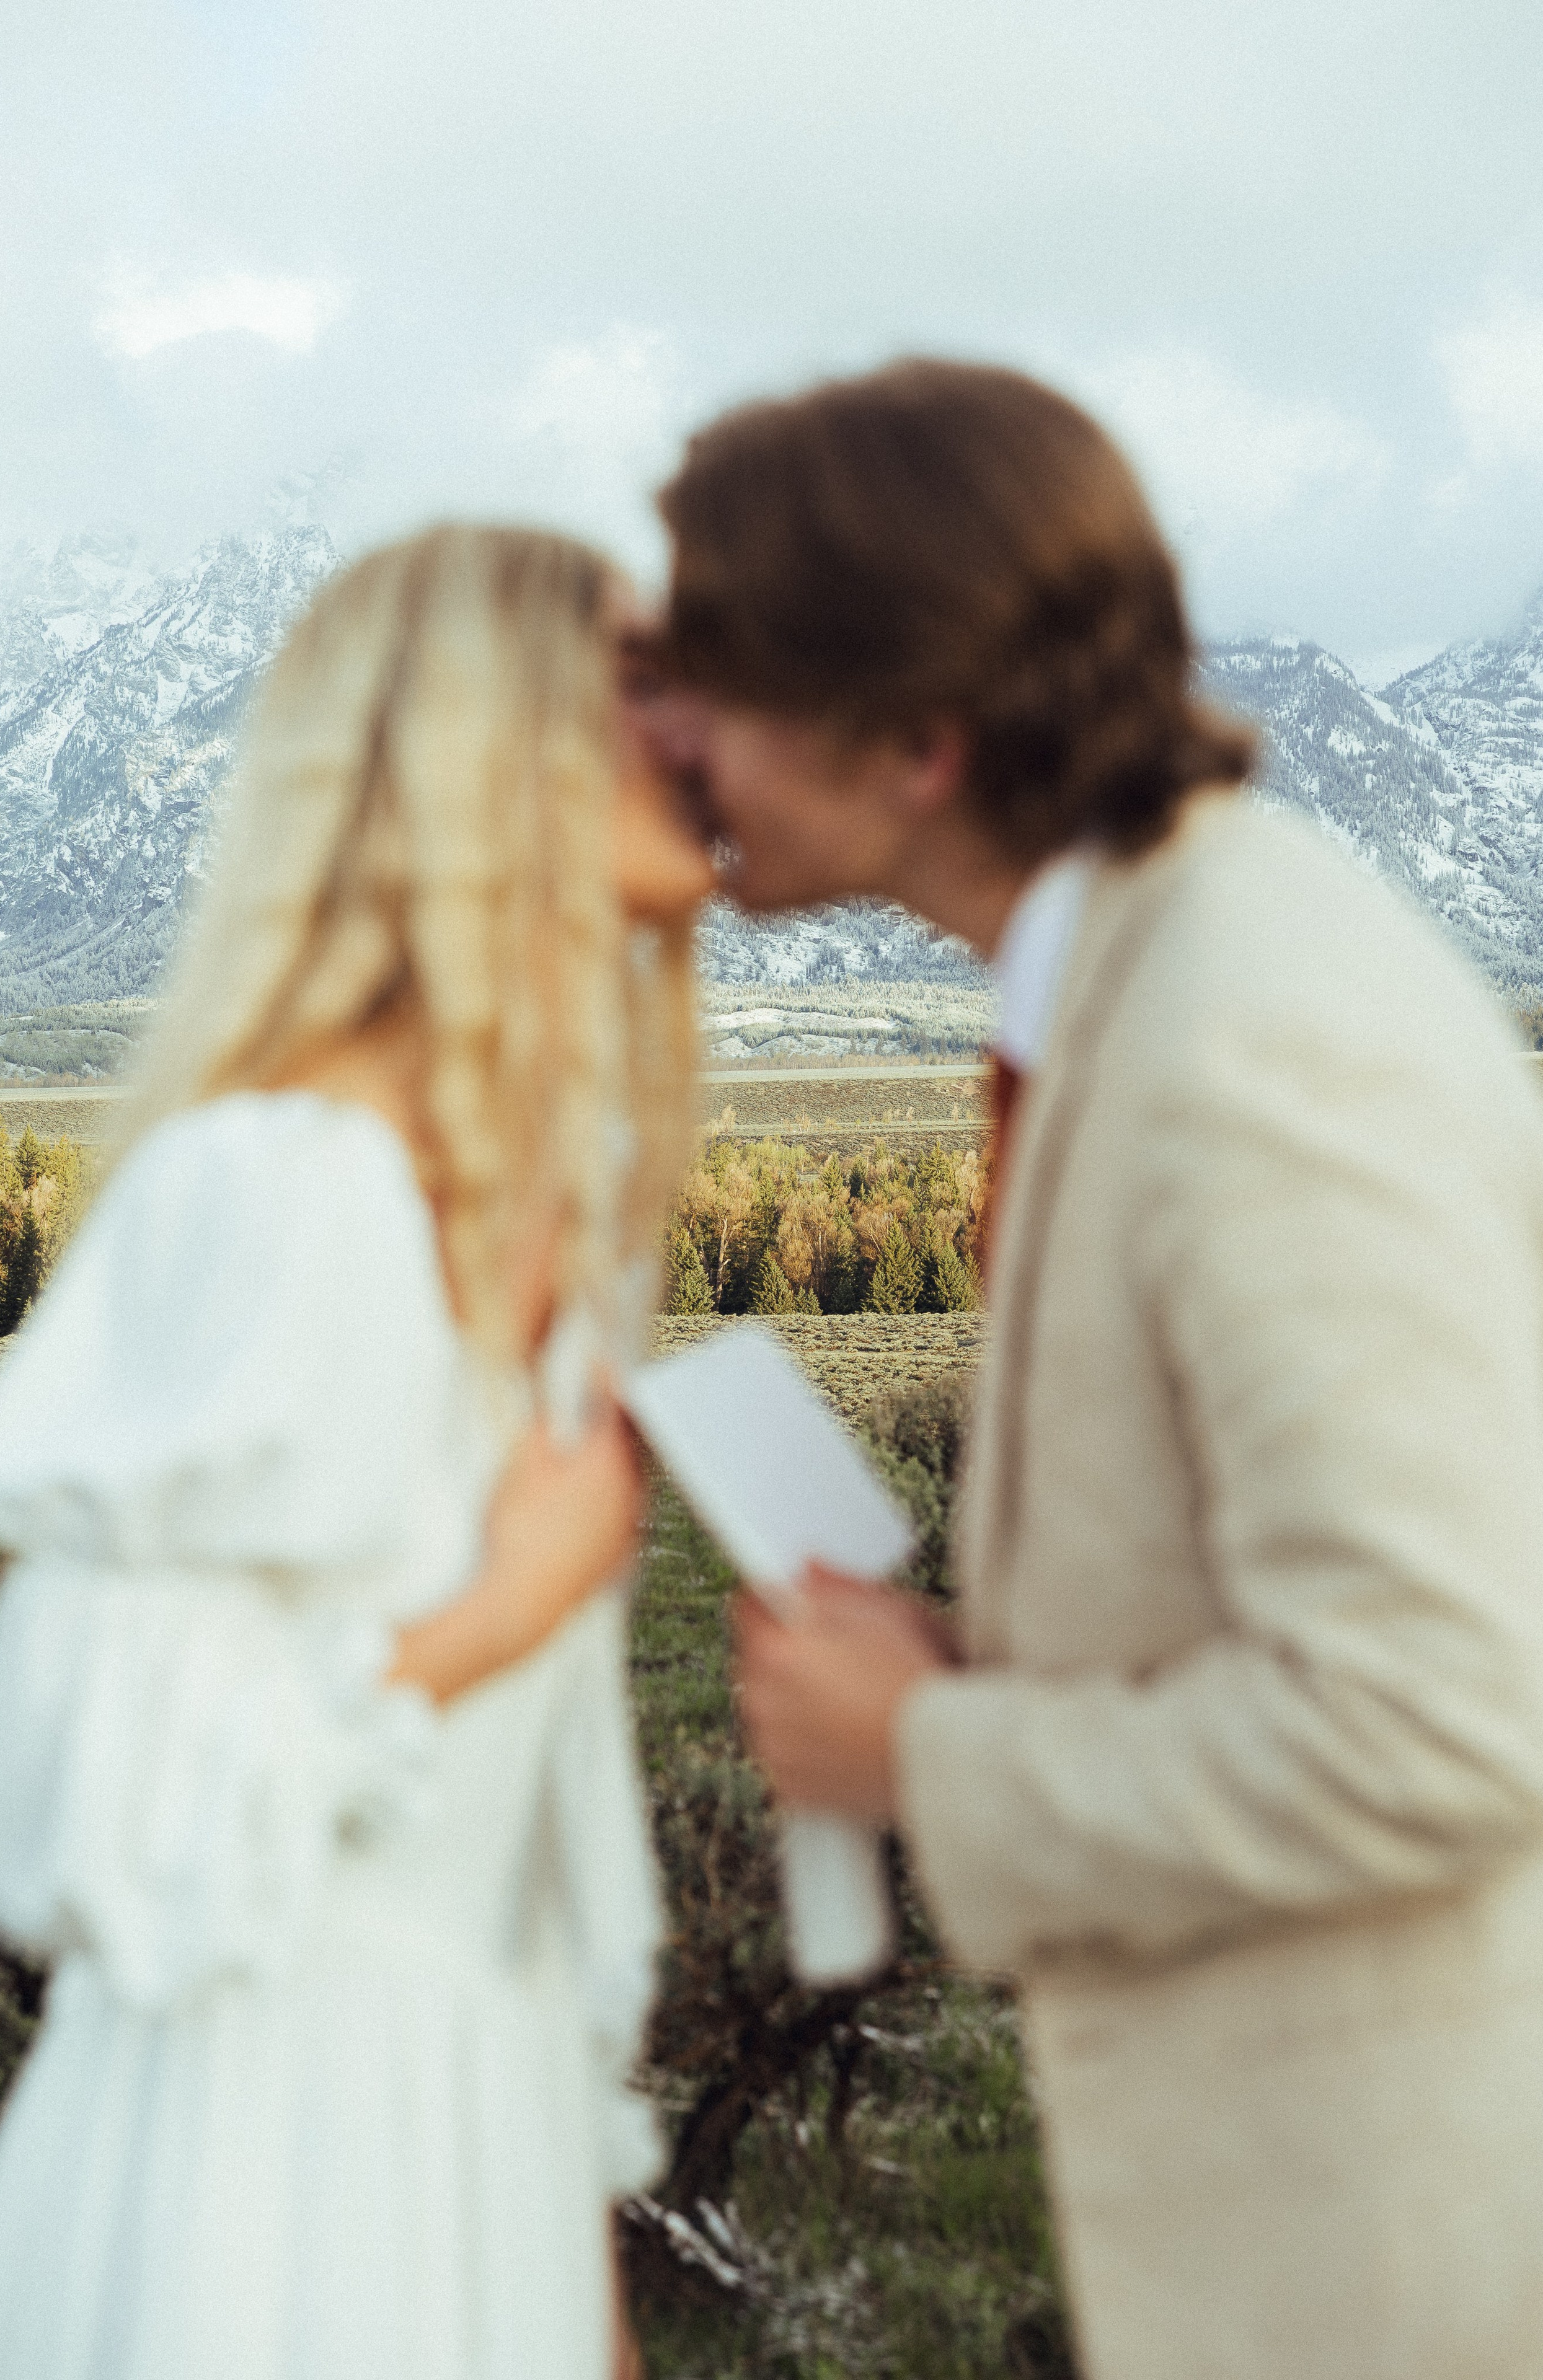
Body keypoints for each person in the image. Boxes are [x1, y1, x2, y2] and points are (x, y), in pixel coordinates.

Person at [660, 360, 1543, 2379]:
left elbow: (1445, 1723)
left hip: (1391, 2263)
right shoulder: (1165, 977)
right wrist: (977, 1662)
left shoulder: (1253, 1050)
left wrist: (927, 1762)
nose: (669, 730)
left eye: (716, 669)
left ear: (919, 734)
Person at [0, 524, 714, 2380]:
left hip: (462, 2186)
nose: (710, 722)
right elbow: (95, 1820)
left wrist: (571, 2282)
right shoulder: (290, 1192)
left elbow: (517, 1889)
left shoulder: (550, 1235)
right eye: (639, 680)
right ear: (481, 757)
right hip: (246, 2200)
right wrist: (504, 1604)